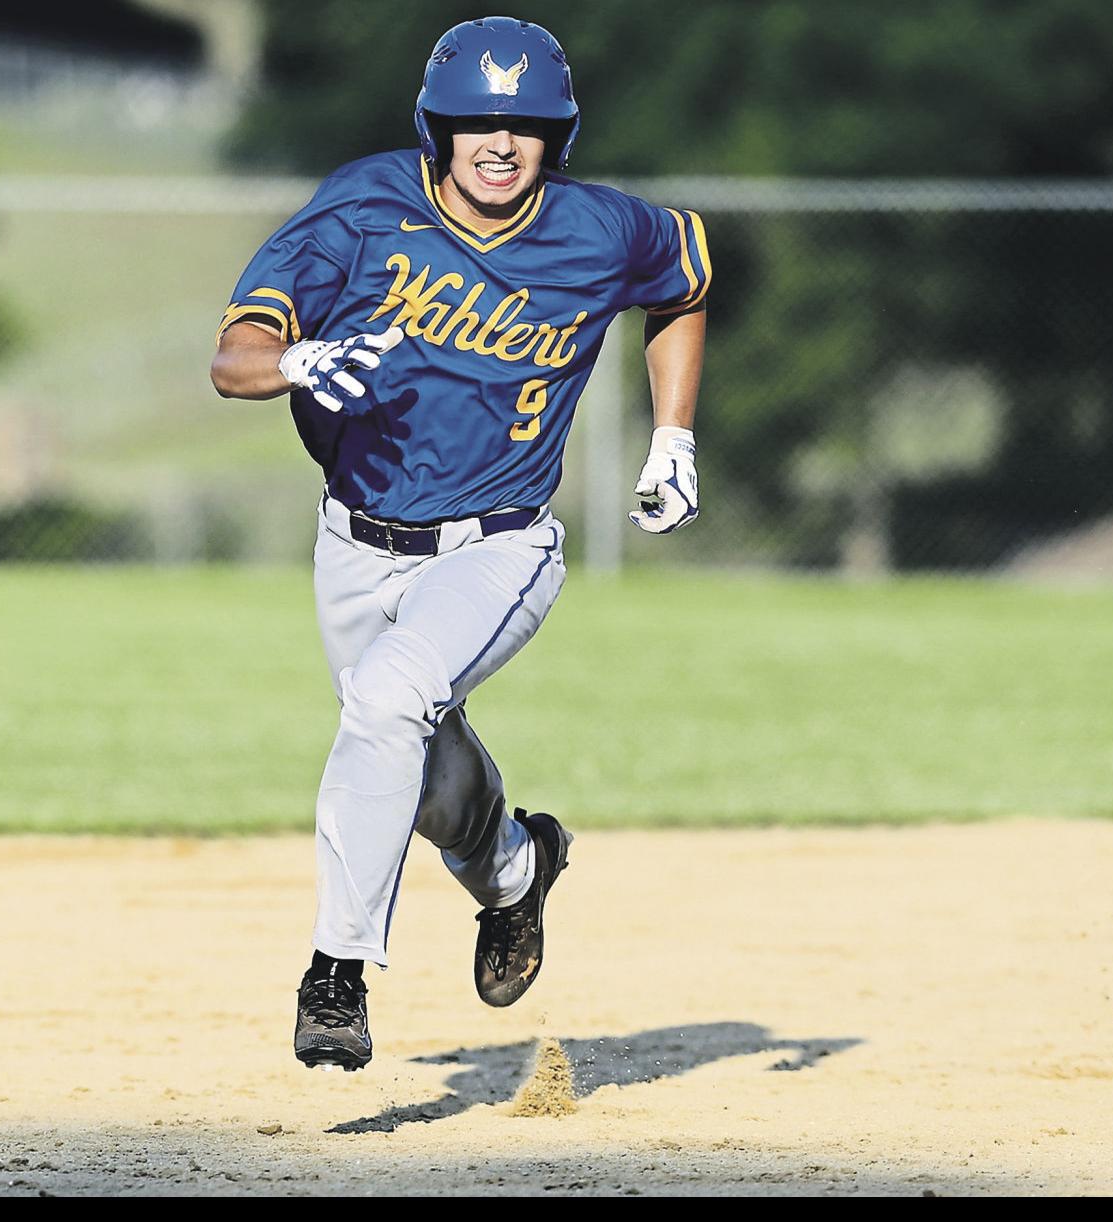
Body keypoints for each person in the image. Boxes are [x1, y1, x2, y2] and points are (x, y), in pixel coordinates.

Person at [211, 15, 709, 1071]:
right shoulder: (363, 206)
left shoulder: (599, 228)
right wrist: (296, 364)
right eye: (475, 121)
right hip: (354, 543)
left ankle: (335, 977)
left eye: (525, 125)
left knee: (387, 701)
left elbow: (685, 280)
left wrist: (674, 435)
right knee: (426, 777)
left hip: (503, 546)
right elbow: (236, 352)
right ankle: (520, 871)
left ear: (557, 137)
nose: (500, 143)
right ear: (434, 126)